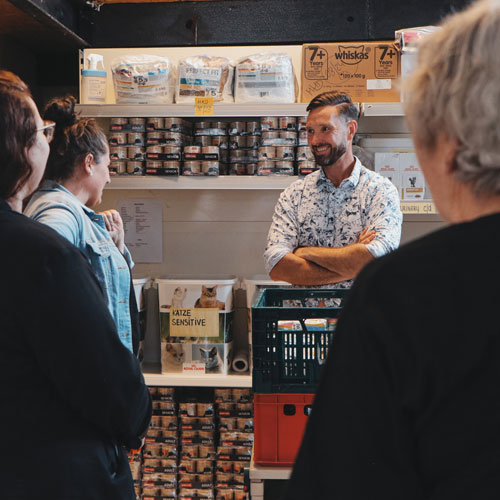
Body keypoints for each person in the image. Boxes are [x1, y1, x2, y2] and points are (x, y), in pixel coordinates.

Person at [284, 1, 500, 498]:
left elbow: (339, 481)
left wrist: (312, 255)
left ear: (445, 144)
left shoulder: (401, 295)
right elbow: (278, 263)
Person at [0, 69, 151, 499]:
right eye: (42, 132)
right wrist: (134, 418)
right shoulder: (46, 240)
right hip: (55, 466)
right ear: (21, 148)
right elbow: (95, 370)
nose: (49, 141)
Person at [24, 95, 139, 354]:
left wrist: (116, 247)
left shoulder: (74, 213)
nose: (108, 179)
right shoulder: (58, 211)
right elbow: (45, 281)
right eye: (107, 167)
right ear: (89, 163)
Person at [264, 91, 402, 287]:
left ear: (350, 130)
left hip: (362, 316)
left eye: (325, 129)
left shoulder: (380, 191)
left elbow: (375, 260)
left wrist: (305, 252)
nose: (314, 141)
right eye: (310, 131)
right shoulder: (294, 195)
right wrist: (353, 263)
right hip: (305, 318)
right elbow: (276, 265)